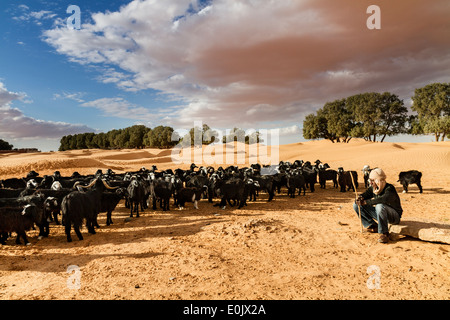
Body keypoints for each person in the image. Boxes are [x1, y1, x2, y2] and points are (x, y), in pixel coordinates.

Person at [353, 168, 402, 243]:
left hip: (394, 217)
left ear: (378, 180)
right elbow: (366, 194)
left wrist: (366, 202)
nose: (371, 183)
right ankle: (373, 225)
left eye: (373, 180)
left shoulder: (389, 188)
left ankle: (384, 233)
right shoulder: (373, 188)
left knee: (379, 206)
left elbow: (383, 199)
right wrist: (360, 197)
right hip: (381, 214)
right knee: (356, 205)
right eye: (370, 180)